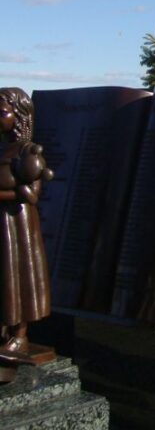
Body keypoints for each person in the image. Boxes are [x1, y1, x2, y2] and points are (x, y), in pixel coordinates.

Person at [0, 87, 54, 364]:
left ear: (19, 116)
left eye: (2, 112)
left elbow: (32, 195)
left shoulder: (26, 151)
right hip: (2, 226)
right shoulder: (2, 148)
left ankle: (19, 335)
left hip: (17, 227)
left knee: (17, 277)